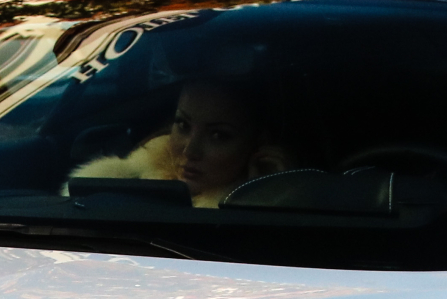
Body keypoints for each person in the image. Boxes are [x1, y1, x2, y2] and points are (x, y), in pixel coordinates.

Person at [72, 81, 292, 208]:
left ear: (257, 145)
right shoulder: (112, 186)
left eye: (218, 135)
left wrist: (261, 197)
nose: (190, 151)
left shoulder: (269, 211)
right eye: (183, 125)